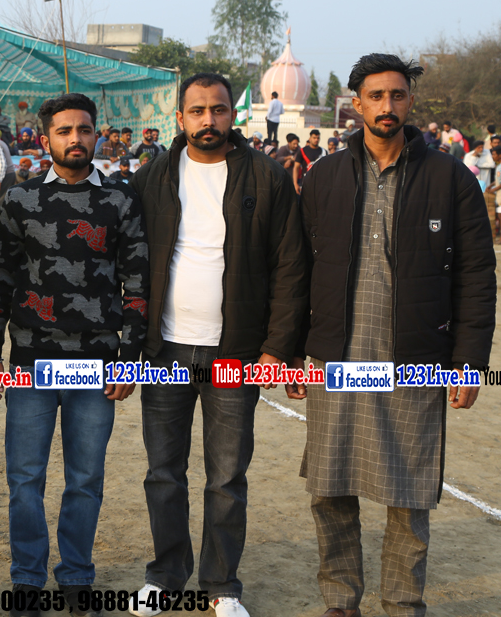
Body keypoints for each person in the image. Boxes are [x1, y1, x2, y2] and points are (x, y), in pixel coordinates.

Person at [293, 53, 494, 617]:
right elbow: (298, 271)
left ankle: (403, 603)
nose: (388, 106)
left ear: (410, 101)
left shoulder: (450, 178)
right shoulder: (325, 176)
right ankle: (340, 601)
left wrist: (470, 360)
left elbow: (477, 275)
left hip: (415, 358)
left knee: (409, 494)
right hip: (335, 358)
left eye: (398, 95)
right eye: (376, 96)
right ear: (356, 105)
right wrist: (289, 353)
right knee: (330, 488)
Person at [128, 73, 308, 617]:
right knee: (163, 473)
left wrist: (277, 348)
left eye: (219, 109)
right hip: (165, 351)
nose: (209, 119)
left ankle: (222, 586)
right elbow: (128, 260)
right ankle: (165, 576)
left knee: (227, 477)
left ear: (234, 114)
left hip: (237, 352)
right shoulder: (152, 176)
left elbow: (290, 266)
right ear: (179, 117)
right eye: (198, 110)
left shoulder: (266, 177)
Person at [0, 92, 148, 617]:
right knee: (24, 480)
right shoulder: (19, 199)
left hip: (97, 366)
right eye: (64, 130)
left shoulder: (121, 200)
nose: (76, 139)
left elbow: (137, 283)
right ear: (45, 138)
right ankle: (27, 580)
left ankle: (76, 576)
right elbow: (0, 279)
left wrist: (130, 357)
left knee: (86, 480)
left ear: (97, 134)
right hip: (30, 364)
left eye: (84, 129)